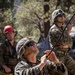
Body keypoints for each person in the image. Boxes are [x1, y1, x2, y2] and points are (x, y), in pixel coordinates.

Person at [49, 9, 75, 75]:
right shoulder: (54, 30)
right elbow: (62, 42)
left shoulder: (63, 28)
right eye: (60, 16)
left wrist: (66, 45)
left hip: (65, 54)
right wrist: (68, 31)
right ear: (55, 18)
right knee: (62, 73)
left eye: (63, 15)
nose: (62, 17)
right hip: (58, 56)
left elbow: (70, 42)